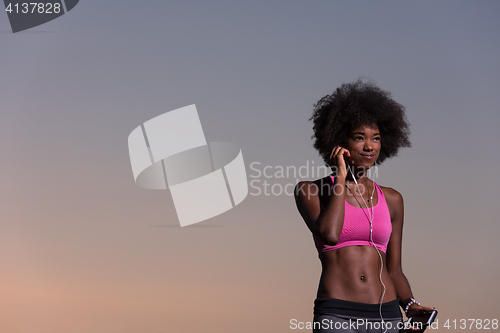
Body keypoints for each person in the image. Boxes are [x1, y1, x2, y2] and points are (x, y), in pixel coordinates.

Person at [294, 80, 435, 333]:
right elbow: (330, 233)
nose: (369, 146)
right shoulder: (310, 190)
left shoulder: (392, 199)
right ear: (338, 141)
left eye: (376, 138)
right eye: (359, 138)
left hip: (388, 315)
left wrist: (411, 305)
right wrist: (340, 176)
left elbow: (395, 269)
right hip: (336, 314)